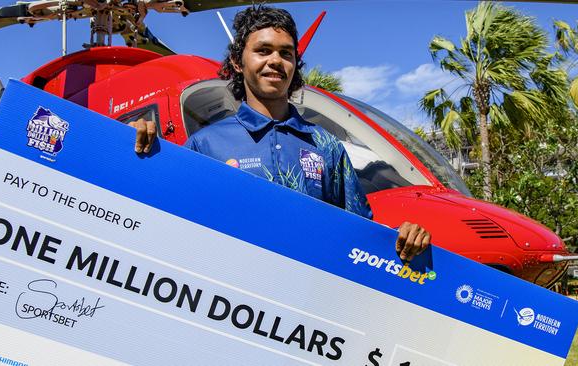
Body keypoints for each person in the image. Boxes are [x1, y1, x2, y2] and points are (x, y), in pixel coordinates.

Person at [130, 5, 430, 262]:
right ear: (237, 62)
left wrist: (402, 240)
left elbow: (359, 236)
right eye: (263, 50)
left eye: (285, 53)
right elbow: (174, 228)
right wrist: (128, 151)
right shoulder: (204, 145)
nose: (276, 60)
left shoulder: (325, 145)